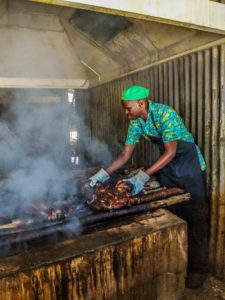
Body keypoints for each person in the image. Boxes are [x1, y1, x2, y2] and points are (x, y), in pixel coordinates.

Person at [88, 85, 208, 289]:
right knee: (173, 214)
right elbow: (126, 155)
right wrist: (102, 174)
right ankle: (178, 264)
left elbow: (170, 152)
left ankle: (198, 270)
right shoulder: (136, 123)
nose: (126, 113)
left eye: (128, 108)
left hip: (190, 167)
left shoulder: (165, 114)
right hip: (169, 169)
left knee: (196, 217)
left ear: (141, 103)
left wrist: (142, 177)